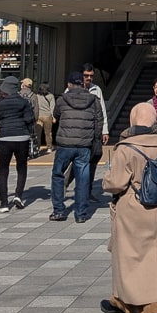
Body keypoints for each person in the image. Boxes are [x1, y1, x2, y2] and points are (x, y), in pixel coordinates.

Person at [100, 103, 157, 313]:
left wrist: (105, 177)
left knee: (129, 256)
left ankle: (125, 302)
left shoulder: (126, 147)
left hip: (133, 207)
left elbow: (115, 184)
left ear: (133, 119)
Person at [49, 71, 104, 223]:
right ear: (83, 83)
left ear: (69, 84)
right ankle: (80, 214)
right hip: (84, 145)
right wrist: (95, 139)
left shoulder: (62, 99)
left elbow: (56, 117)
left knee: (58, 175)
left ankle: (59, 211)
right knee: (83, 179)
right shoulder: (94, 100)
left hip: (65, 144)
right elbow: (99, 122)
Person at [0, 75, 34, 212]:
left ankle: (4, 203)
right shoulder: (24, 103)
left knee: (3, 170)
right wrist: (29, 135)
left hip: (5, 139)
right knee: (21, 167)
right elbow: (30, 119)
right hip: (22, 138)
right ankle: (18, 195)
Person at [82, 62, 110, 201]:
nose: (89, 78)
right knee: (79, 161)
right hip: (80, 132)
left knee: (93, 159)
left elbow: (103, 110)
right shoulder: (72, 90)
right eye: (86, 75)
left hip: (95, 132)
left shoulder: (96, 89)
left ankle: (88, 190)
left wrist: (105, 130)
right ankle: (69, 183)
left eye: (91, 76)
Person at [34, 82, 56, 152]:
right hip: (47, 116)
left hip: (39, 116)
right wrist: (53, 116)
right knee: (48, 133)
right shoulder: (51, 96)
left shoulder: (36, 96)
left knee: (38, 133)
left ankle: (37, 147)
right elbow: (52, 107)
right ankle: (49, 147)